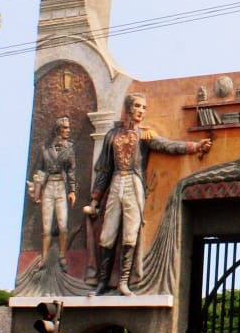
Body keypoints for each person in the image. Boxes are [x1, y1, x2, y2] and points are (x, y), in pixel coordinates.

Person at [86, 93, 212, 294]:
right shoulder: (112, 135)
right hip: (117, 181)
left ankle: (124, 282)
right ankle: (103, 282)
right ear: (128, 108)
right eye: (137, 106)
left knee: (130, 233)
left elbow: (167, 145)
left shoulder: (145, 134)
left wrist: (194, 146)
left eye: (144, 107)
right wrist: (95, 200)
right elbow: (104, 169)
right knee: (107, 234)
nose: (141, 111)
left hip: (135, 184)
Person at [29, 116, 76, 271]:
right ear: (58, 129)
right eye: (65, 128)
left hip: (61, 186)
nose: (68, 130)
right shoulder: (46, 148)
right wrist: (37, 193)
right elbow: (40, 171)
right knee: (46, 227)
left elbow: (71, 171)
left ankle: (62, 256)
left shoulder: (69, 148)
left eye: (69, 128)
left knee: (63, 226)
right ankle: (43, 258)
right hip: (48, 186)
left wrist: (72, 190)